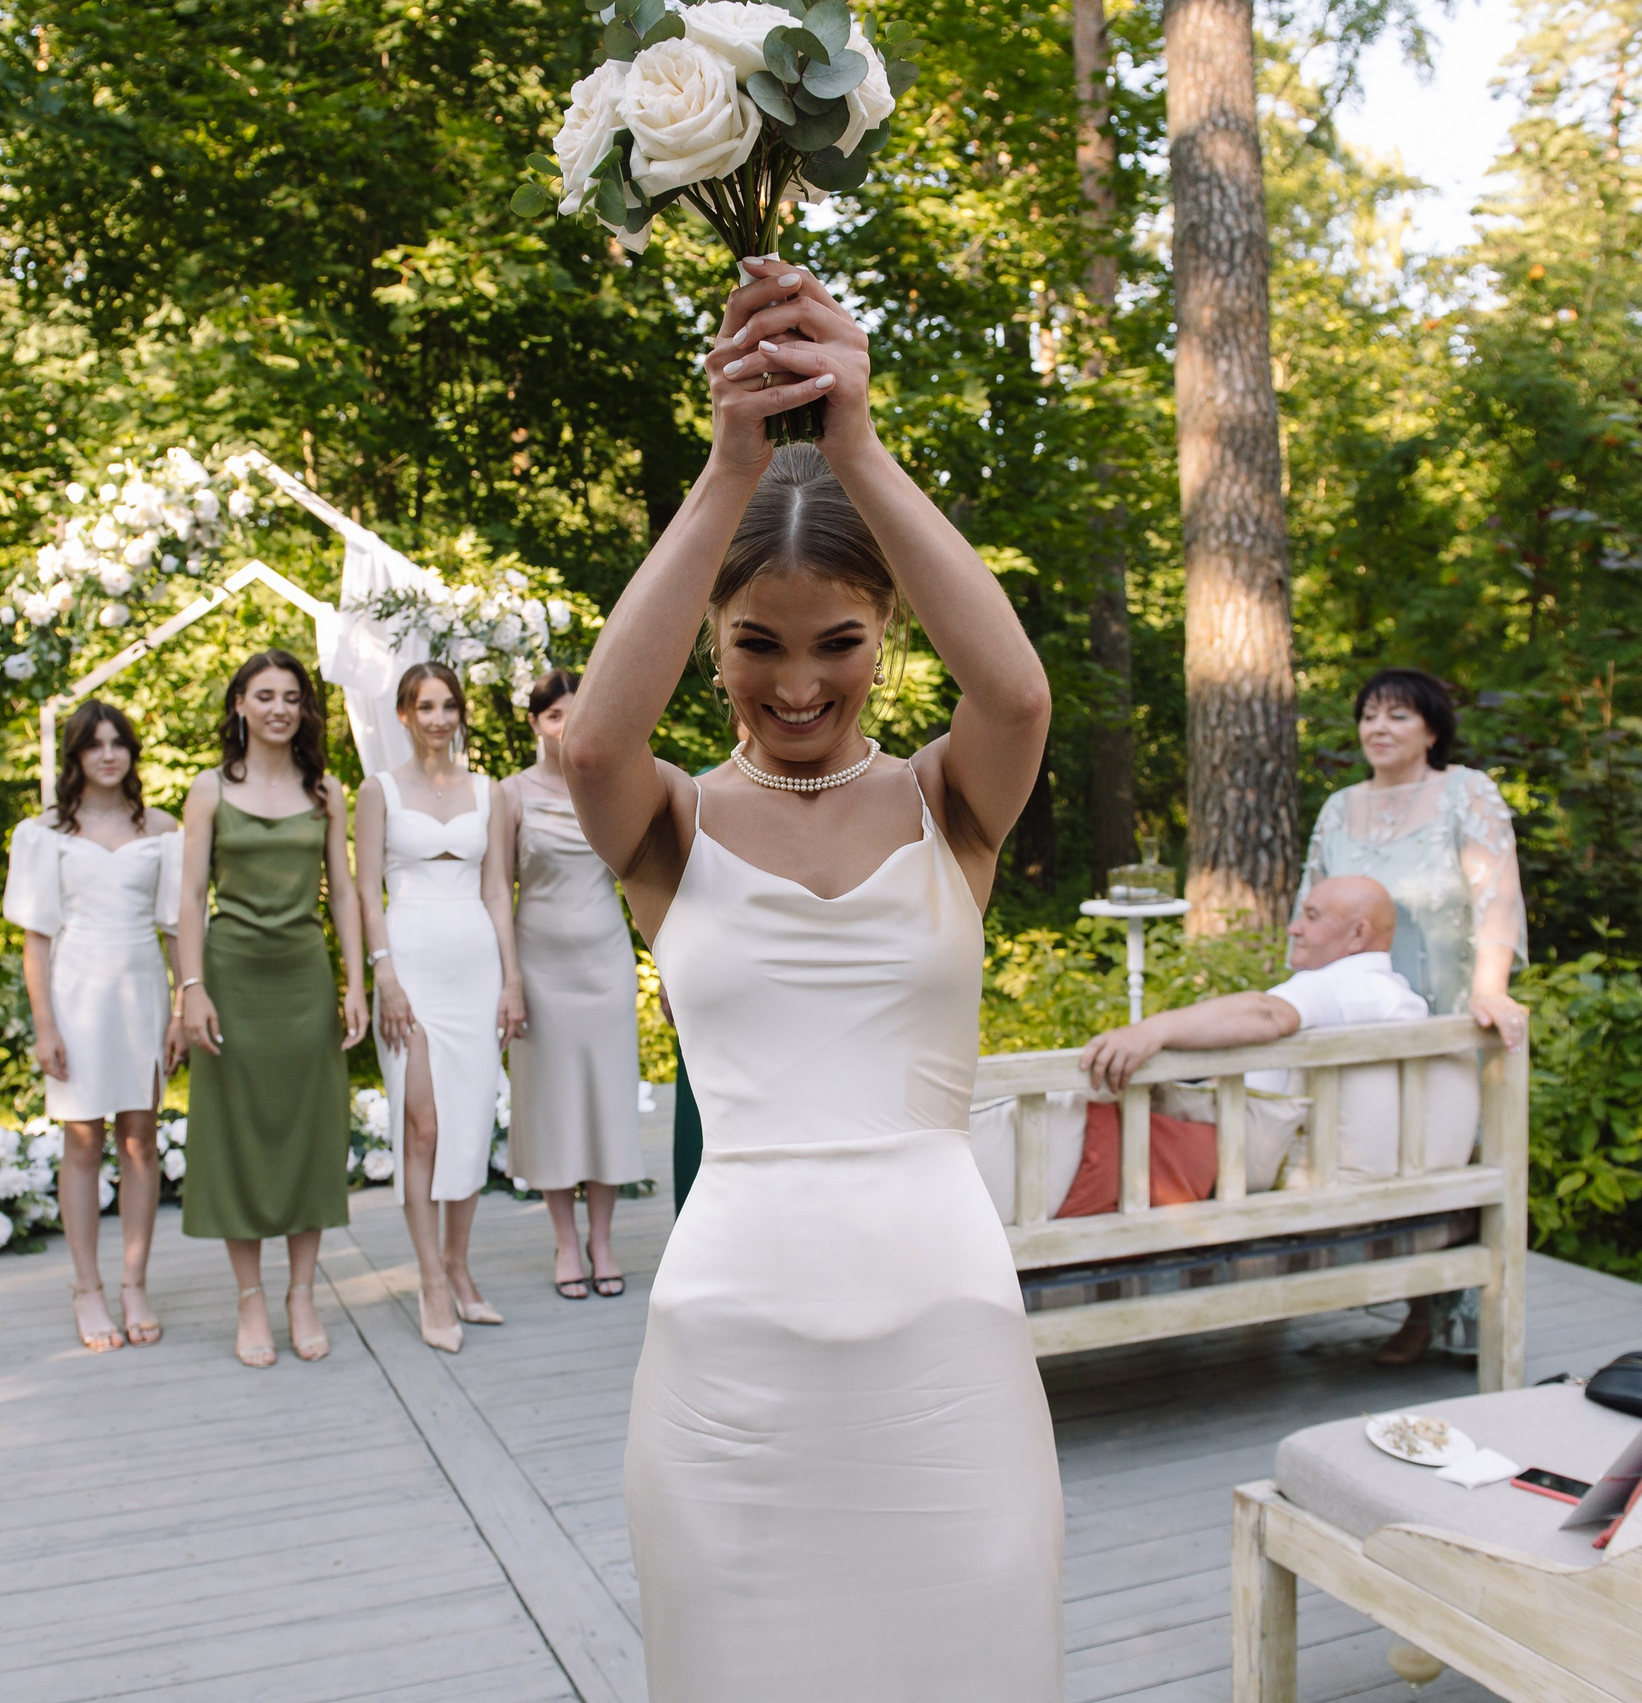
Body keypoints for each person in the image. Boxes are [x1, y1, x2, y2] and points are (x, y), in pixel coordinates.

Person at [564, 259, 1062, 1699]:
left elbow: (1019, 692)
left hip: (948, 1338)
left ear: (885, 636)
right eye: (755, 645)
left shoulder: (946, 805)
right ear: (713, 642)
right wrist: (731, 464)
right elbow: (595, 744)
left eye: (837, 642)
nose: (795, 683)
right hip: (732, 1351)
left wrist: (853, 441)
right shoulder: (670, 824)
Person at [1299, 667, 1529, 1362]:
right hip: (1358, 1017)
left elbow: (1498, 897)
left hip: (1448, 1010)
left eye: (1398, 715)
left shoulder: (1467, 792)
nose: (1378, 727)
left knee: (1445, 1155)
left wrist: (1490, 987)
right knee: (1371, 1153)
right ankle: (1375, 1291)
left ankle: (1441, 1312)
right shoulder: (1339, 806)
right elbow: (1310, 908)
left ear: (1432, 728)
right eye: (1369, 714)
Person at [174, 652, 369, 1368]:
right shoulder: (207, 789)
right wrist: (190, 987)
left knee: (307, 1135)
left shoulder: (326, 790)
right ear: (239, 706)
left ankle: (302, 1293)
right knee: (238, 1137)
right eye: (265, 695)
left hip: (302, 978)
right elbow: (190, 896)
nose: (279, 707)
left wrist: (355, 982)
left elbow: (343, 892)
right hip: (230, 979)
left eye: (292, 696)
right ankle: (250, 1297)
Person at [3, 700, 183, 1353]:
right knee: (82, 1141)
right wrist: (44, 1024)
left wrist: (185, 1009)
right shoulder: (45, 832)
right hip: (76, 996)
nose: (108, 754)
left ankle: (135, 1280)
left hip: (142, 994)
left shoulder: (161, 827)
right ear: (75, 754)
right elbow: (37, 939)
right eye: (94, 744)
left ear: (132, 752)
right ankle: (88, 1286)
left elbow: (177, 930)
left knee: (140, 1137)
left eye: (119, 743)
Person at [354, 660, 523, 1353]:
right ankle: (428, 1279)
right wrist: (383, 973)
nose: (438, 718)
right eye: (425, 706)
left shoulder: (490, 792)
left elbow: (497, 892)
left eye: (449, 705)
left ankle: (459, 1263)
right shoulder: (379, 789)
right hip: (411, 964)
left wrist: (512, 979)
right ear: (403, 713)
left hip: (477, 967)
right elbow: (366, 890)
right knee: (420, 1126)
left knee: (470, 1123)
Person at [500, 670, 647, 1301]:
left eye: (577, 713)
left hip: (605, 963)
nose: (566, 725)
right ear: (535, 723)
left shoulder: (611, 785)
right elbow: (493, 889)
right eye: (554, 715)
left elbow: (644, 877)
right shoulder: (509, 795)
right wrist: (508, 979)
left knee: (606, 1098)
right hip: (538, 964)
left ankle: (603, 1239)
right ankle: (564, 1240)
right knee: (552, 1103)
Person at [1078, 874, 1421, 1090]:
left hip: (1247, 1153)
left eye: (1311, 916)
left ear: (1358, 934)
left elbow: (1265, 1013)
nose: (1294, 928)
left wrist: (1148, 1032)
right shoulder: (1390, 993)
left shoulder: (1349, 984)